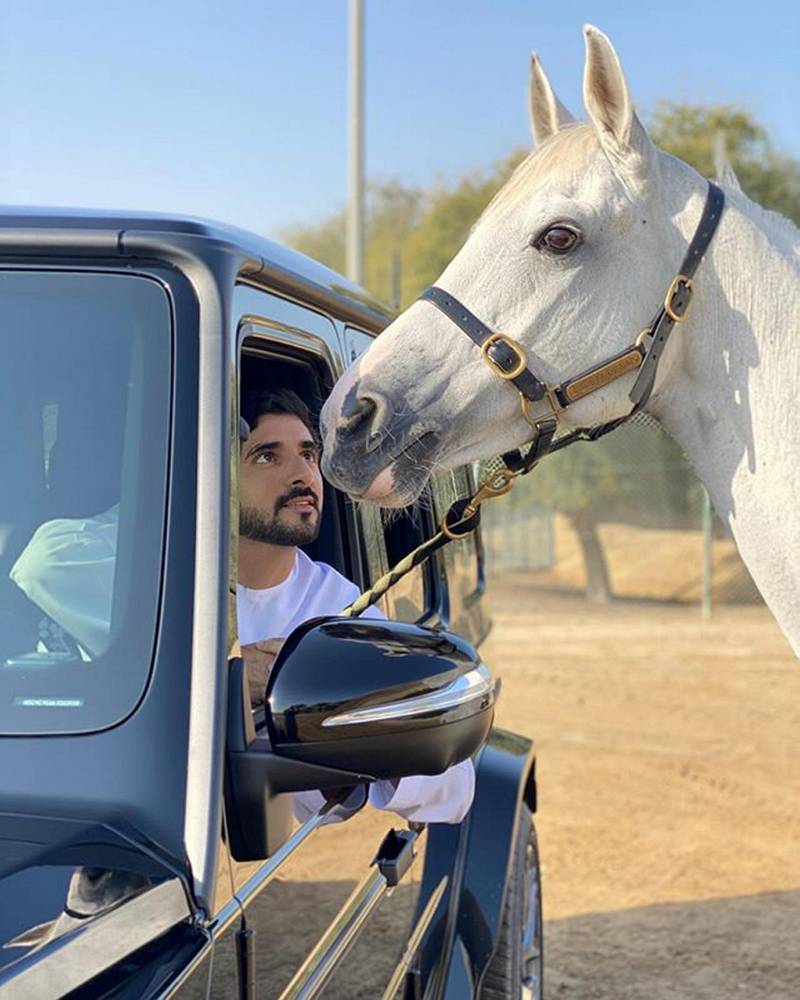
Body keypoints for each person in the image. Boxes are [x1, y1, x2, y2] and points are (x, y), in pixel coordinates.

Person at [236, 388, 474, 825]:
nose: (301, 475)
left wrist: (342, 717)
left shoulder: (340, 611)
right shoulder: (158, 590)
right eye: (268, 457)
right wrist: (227, 679)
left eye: (308, 455)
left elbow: (456, 786)